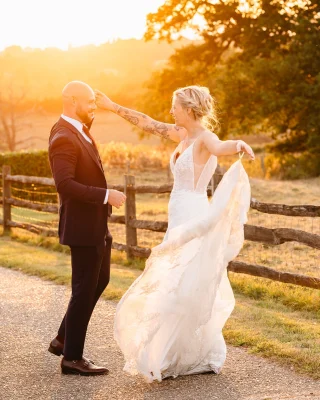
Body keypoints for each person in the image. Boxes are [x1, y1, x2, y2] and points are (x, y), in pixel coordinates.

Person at [95, 85, 254, 382]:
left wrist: (239, 145)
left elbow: (222, 147)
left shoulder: (205, 138)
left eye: (175, 107)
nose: (170, 112)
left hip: (192, 213)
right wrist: (112, 105)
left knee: (183, 280)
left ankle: (176, 353)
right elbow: (145, 122)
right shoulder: (181, 134)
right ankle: (177, 351)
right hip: (177, 213)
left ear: (189, 109)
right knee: (175, 280)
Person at [48, 81, 126, 376]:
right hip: (82, 226)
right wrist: (106, 195)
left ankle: (63, 339)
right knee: (83, 289)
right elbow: (64, 184)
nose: (94, 106)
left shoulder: (78, 129)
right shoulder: (63, 136)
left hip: (96, 223)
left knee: (99, 281)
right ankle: (72, 358)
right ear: (71, 101)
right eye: (90, 102)